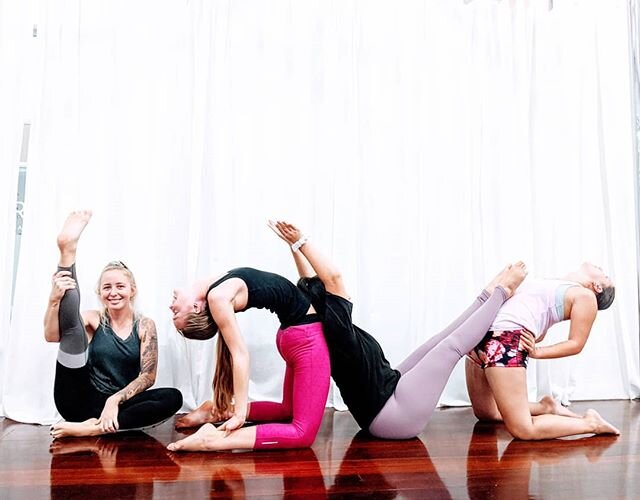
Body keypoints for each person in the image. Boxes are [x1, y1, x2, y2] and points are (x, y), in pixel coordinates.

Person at [267, 220, 527, 440]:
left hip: (387, 392)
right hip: (393, 417)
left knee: (438, 341)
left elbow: (313, 282)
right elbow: (333, 277)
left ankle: (486, 297)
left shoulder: (320, 322)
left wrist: (294, 248)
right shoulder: (335, 327)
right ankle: (503, 292)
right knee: (451, 347)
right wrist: (302, 241)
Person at [45, 211, 182, 438]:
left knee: (173, 397)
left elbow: (148, 377)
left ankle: (93, 429)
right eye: (107, 287)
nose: (113, 292)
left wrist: (114, 399)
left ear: (132, 290)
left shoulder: (145, 325)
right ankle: (67, 253)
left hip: (117, 407)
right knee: (75, 332)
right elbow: (51, 336)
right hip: (77, 402)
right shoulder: (92, 319)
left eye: (120, 286)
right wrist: (54, 300)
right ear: (100, 292)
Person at [167, 267, 330, 452]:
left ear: (197, 307)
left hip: (295, 336)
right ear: (196, 307)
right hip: (305, 338)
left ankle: (218, 410)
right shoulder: (217, 296)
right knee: (302, 434)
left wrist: (295, 244)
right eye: (176, 314)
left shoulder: (213, 288)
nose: (171, 308)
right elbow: (240, 355)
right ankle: (212, 440)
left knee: (288, 411)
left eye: (174, 315)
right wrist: (239, 415)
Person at [465, 263, 620, 439]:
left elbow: (576, 343)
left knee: (523, 429)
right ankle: (546, 407)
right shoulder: (552, 284)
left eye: (605, 275)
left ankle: (591, 423)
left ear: (597, 287)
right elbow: (536, 323)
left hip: (503, 339)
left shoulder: (586, 296)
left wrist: (537, 352)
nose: (601, 267)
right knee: (487, 413)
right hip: (477, 334)